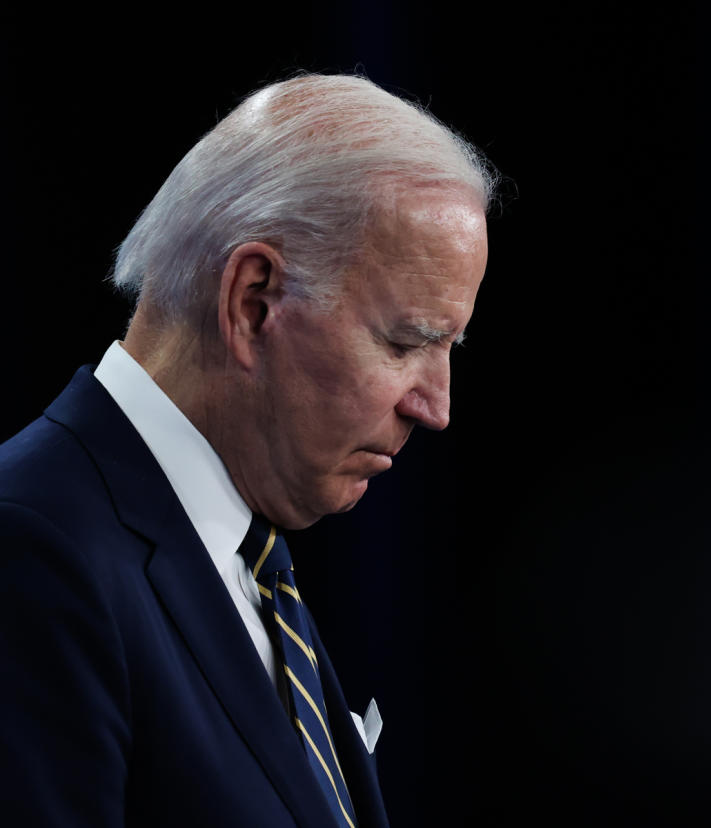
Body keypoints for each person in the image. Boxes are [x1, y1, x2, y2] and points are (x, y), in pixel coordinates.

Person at [0, 74, 494, 827]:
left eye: (450, 347)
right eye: (405, 343)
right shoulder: (30, 549)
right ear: (253, 300)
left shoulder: (246, 554)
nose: (436, 408)